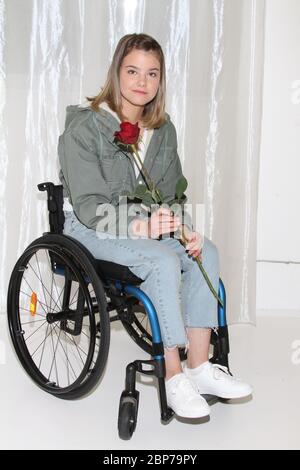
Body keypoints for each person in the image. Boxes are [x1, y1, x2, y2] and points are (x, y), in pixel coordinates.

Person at [58, 33, 252, 419]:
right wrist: (144, 229)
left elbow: (170, 197)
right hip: (90, 227)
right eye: (132, 71)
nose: (141, 82)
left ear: (161, 80)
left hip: (144, 226)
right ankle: (174, 375)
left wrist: (184, 229)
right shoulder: (84, 130)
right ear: (117, 72)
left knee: (206, 251)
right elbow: (90, 207)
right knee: (162, 260)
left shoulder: (162, 131)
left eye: (152, 73)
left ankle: (199, 366)